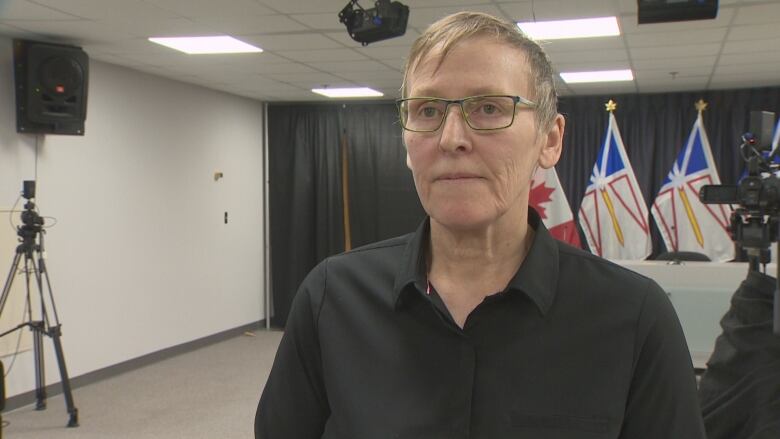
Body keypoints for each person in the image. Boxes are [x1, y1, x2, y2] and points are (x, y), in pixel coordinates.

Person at [255, 11, 706, 439]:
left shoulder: (634, 317)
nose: (451, 138)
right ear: (408, 142)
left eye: (489, 108)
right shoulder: (331, 299)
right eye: (428, 110)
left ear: (549, 140)